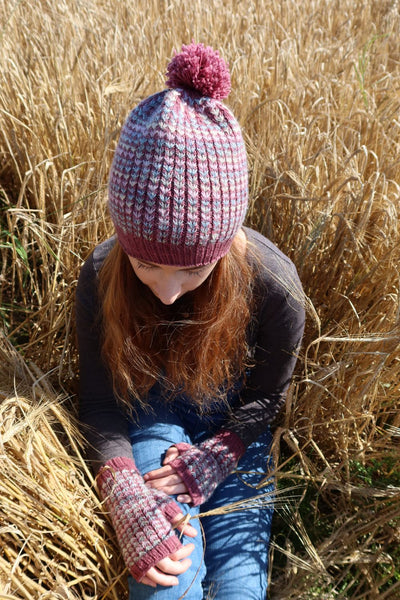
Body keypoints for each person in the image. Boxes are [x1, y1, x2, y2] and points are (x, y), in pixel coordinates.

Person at [76, 42, 305, 600]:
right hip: (151, 412)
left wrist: (222, 453)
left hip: (239, 436)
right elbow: (101, 401)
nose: (170, 292)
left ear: (225, 249)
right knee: (164, 584)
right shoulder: (100, 274)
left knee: (239, 591)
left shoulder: (275, 287)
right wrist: (123, 491)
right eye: (147, 264)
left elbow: (265, 399)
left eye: (195, 269)